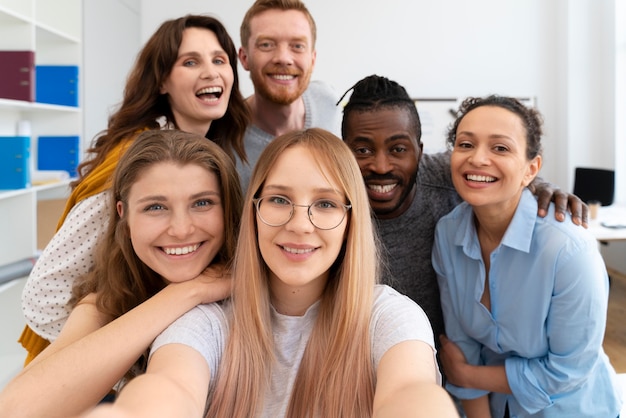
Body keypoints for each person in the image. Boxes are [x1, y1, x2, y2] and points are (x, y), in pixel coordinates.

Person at [81, 128, 460, 418]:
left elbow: (412, 392)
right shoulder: (207, 322)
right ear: (253, 211)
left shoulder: (389, 316)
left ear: (350, 220)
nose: (300, 224)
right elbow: (169, 387)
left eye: (325, 203)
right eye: (279, 199)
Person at [19, 14, 250, 364]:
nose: (211, 72)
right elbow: (44, 295)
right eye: (190, 61)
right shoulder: (134, 162)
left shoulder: (208, 152)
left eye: (219, 60)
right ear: (161, 82)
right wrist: (125, 357)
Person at [0, 129, 243, 418]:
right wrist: (187, 292)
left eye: (202, 203)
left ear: (228, 208)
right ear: (124, 216)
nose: (181, 229)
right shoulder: (108, 300)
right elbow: (17, 409)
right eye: (156, 207)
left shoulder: (257, 286)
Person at [340, 75, 588, 345]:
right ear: (344, 153)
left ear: (419, 152)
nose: (381, 166)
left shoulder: (444, 175)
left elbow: (497, 168)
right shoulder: (331, 202)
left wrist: (540, 186)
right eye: (362, 150)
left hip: (448, 367)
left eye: (398, 149)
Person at [432, 95, 623, 417]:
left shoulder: (567, 249)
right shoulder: (448, 233)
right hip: (492, 407)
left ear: (530, 168)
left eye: (500, 148)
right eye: (465, 144)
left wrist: (468, 375)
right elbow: (462, 346)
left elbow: (567, 373)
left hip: (570, 408)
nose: (477, 159)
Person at [235, 0, 342, 191]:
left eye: (297, 46)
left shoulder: (332, 104)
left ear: (312, 59)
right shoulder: (227, 139)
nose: (283, 58)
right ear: (244, 58)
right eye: (267, 44)